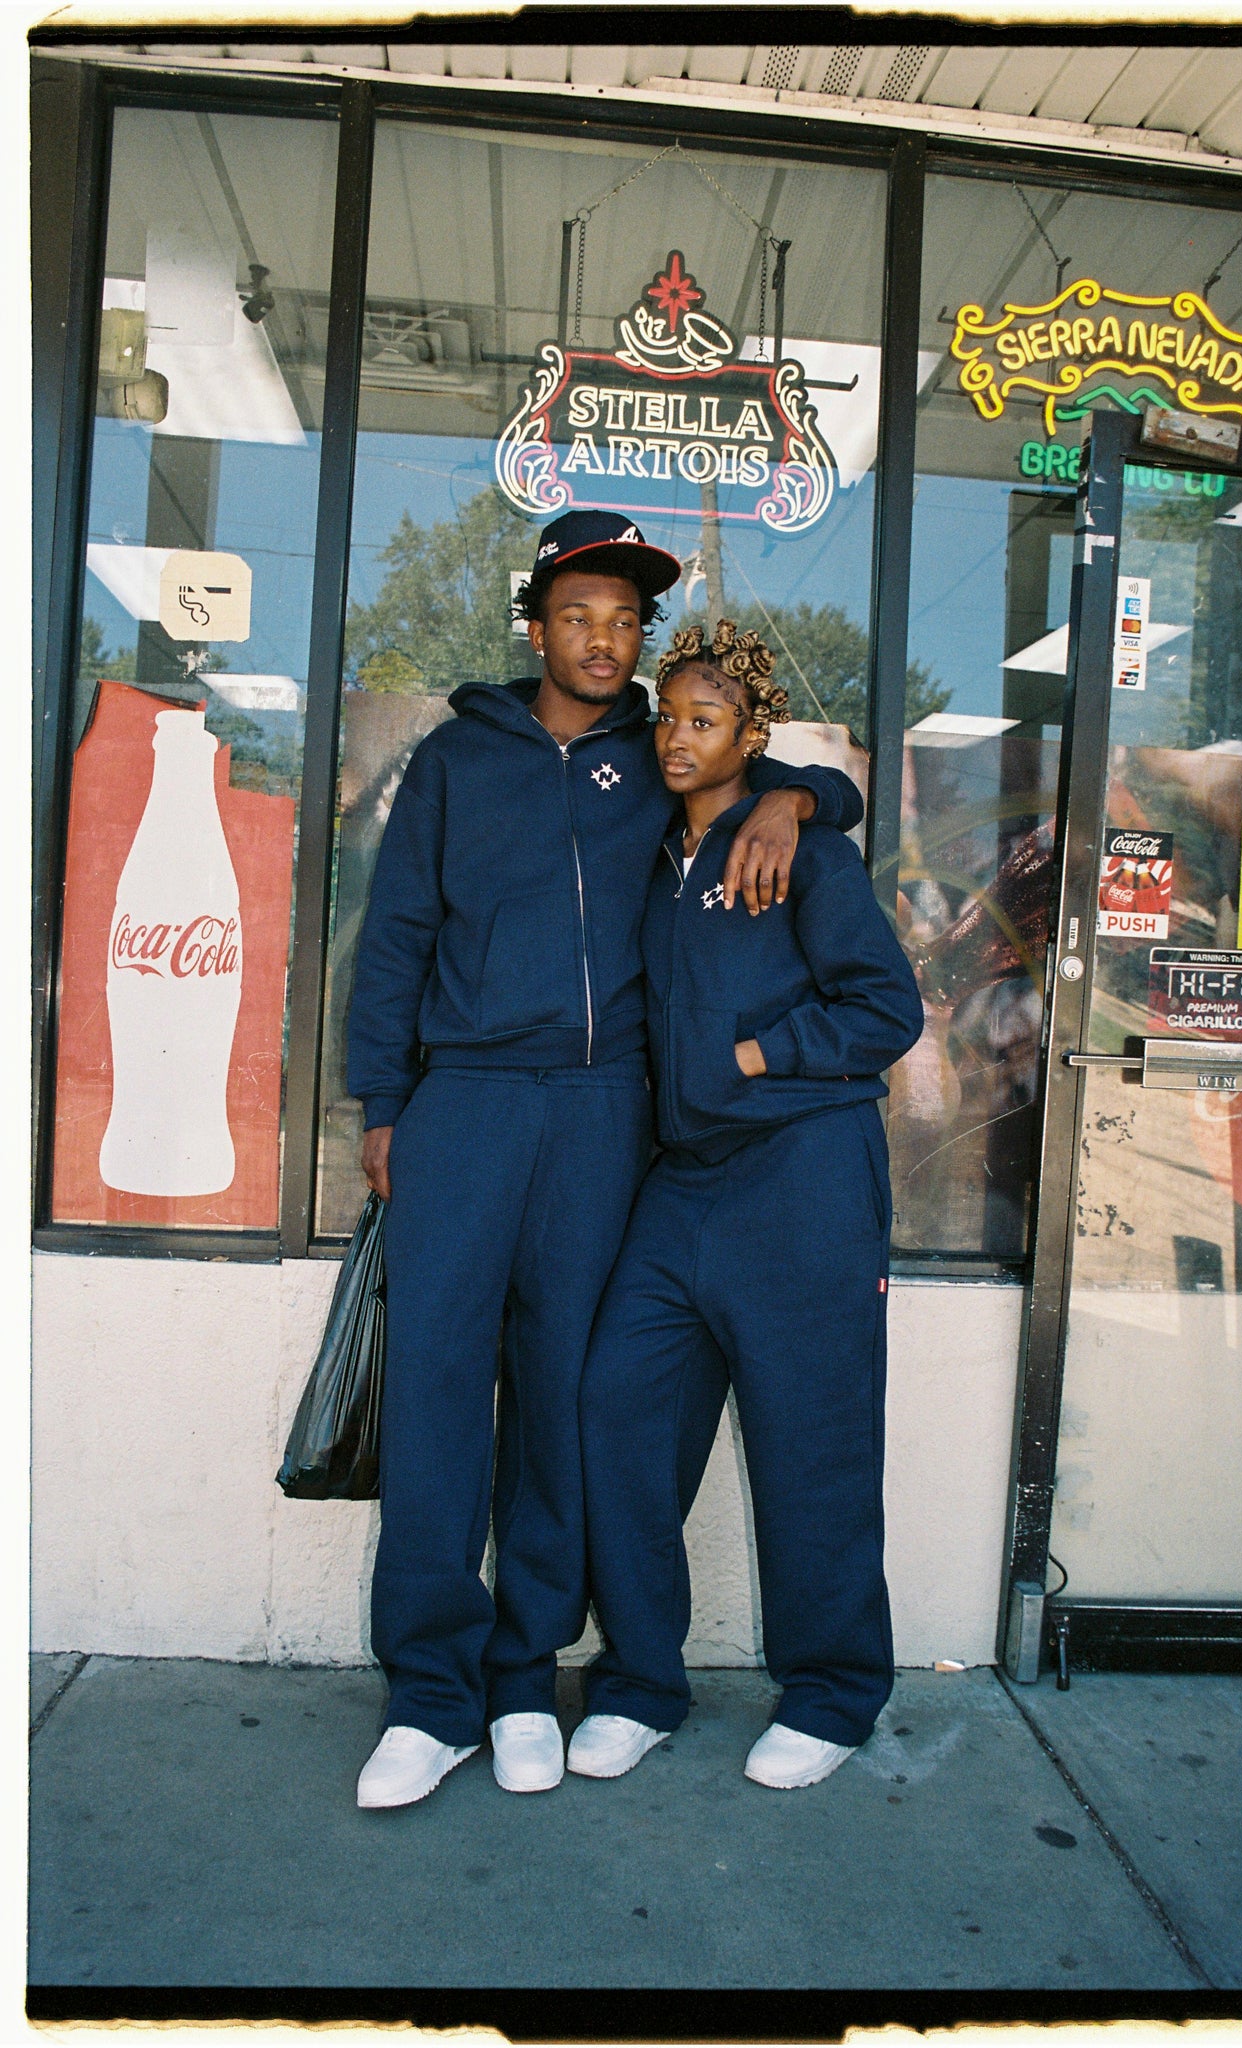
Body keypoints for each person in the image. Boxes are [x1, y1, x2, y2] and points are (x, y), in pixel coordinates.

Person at [346, 512, 863, 1809]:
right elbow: (396, 935)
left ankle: (523, 1676)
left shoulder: (662, 751)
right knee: (436, 1394)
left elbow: (805, 789)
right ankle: (429, 1697)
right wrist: (381, 1106)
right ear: (535, 625)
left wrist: (800, 795)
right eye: (578, 614)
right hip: (461, 1100)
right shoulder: (456, 758)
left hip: (602, 1112)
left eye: (624, 620)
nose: (602, 638)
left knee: (563, 1406)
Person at [569, 620, 924, 1791]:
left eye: (704, 721)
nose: (676, 737)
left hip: (801, 1179)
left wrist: (761, 1056)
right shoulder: (655, 843)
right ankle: (639, 1680)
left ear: (750, 737)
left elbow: (886, 1010)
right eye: (667, 715)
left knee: (811, 1444)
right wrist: (809, 792)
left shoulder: (798, 851)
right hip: (681, 1187)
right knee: (619, 1407)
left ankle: (831, 1692)